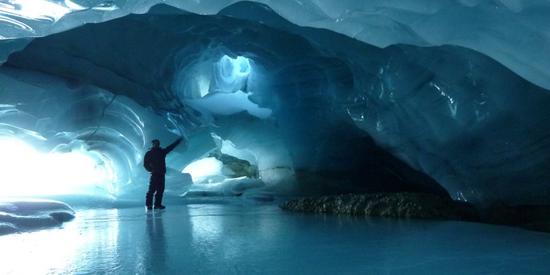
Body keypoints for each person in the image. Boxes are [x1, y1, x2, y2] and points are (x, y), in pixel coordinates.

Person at [143, 137, 183, 210]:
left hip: (161, 174)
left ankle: (157, 205)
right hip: (155, 174)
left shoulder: (161, 152)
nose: (156, 144)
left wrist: (178, 141)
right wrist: (151, 170)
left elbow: (170, 147)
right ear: (153, 144)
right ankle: (149, 205)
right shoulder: (149, 153)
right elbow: (145, 164)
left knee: (160, 190)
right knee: (152, 190)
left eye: (157, 143)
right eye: (155, 143)